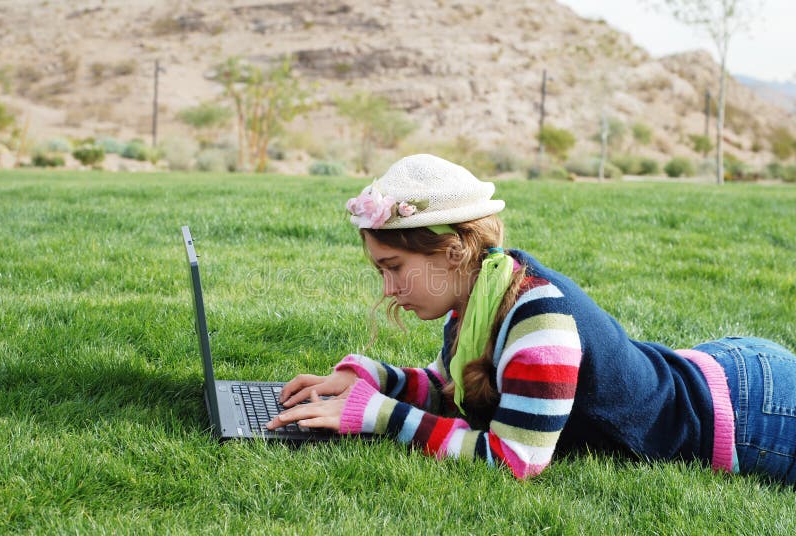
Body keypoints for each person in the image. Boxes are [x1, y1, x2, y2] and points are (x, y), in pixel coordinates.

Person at [266, 153, 796, 482]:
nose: (388, 289)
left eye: (394, 267)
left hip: (754, 415)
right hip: (719, 367)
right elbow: (455, 390)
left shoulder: (539, 319)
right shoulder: (477, 294)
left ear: (452, 251)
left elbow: (513, 459)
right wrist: (368, 380)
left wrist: (380, 415)